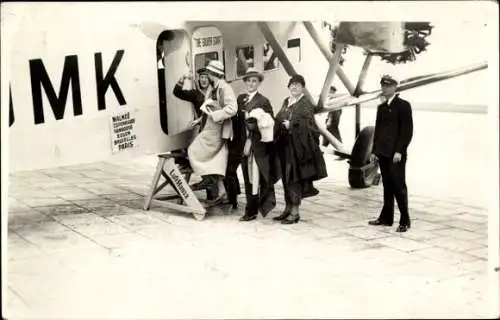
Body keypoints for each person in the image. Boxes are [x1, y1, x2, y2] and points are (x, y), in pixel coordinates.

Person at [272, 74, 328, 224]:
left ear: (303, 87)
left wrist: (292, 125)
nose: (294, 87)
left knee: (294, 178)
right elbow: (278, 118)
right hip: (284, 146)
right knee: (286, 178)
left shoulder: (305, 104)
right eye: (292, 84)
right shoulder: (286, 101)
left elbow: (310, 126)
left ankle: (295, 212)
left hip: (298, 149)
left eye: (298, 84)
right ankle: (288, 208)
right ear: (289, 87)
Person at [368, 74, 413, 233]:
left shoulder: (403, 106)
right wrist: (374, 152)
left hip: (396, 155)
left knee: (398, 186)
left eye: (388, 86)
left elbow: (407, 132)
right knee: (387, 186)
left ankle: (405, 220)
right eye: (383, 86)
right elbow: (378, 132)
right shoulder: (381, 108)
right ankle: (386, 218)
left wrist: (400, 151)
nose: (385, 88)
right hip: (383, 153)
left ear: (395, 87)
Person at [188, 60, 237, 204]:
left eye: (208, 73)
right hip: (211, 126)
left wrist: (216, 115)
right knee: (215, 161)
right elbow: (208, 106)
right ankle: (221, 191)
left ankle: (206, 179)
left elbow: (232, 108)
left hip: (218, 129)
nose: (206, 75)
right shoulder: (212, 88)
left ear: (212, 74)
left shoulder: (225, 88)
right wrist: (200, 119)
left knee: (193, 151)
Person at [237, 68, 280, 222]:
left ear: (259, 83)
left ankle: (253, 210)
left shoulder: (263, 101)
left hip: (257, 146)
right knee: (248, 178)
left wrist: (256, 125)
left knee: (256, 178)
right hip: (244, 145)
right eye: (248, 80)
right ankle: (251, 208)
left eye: (254, 81)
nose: (251, 83)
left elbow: (271, 123)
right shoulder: (241, 99)